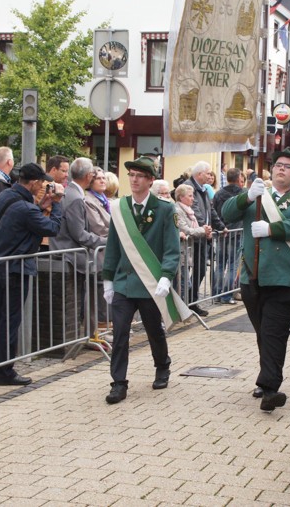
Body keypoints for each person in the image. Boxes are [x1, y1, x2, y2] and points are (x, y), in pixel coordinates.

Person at [221, 148, 290, 412]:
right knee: (264, 332)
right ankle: (267, 379)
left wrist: (272, 229)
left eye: (288, 166)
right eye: (278, 165)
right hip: (253, 277)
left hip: (287, 279)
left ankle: (270, 388)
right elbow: (226, 213)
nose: (281, 169)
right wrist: (246, 197)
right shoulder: (257, 196)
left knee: (273, 331)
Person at [102, 157, 187, 405]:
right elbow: (113, 245)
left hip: (150, 282)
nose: (134, 180)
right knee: (120, 333)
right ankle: (118, 383)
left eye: (140, 176)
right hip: (124, 282)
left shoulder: (165, 209)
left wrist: (166, 276)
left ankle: (162, 366)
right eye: (131, 175)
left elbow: (171, 248)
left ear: (150, 180)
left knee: (153, 329)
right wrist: (108, 279)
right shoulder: (120, 207)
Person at [0, 163, 64, 386]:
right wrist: (56, 204)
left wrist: (41, 205)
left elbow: (22, 218)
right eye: (42, 182)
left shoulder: (7, 195)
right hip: (15, 269)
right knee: (10, 321)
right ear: (34, 182)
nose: (43, 186)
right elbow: (52, 228)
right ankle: (5, 372)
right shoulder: (26, 208)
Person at [49, 158, 107, 326]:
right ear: (88, 176)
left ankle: (91, 331)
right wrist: (106, 242)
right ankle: (89, 331)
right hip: (72, 257)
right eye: (94, 174)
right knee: (86, 298)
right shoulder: (75, 198)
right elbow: (80, 234)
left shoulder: (71, 193)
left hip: (68, 253)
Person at [185, 161, 227, 316]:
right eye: (208, 173)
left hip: (202, 236)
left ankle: (191, 300)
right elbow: (194, 211)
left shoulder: (203, 189)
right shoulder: (189, 187)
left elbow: (211, 210)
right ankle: (187, 301)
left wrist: (221, 226)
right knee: (189, 272)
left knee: (201, 270)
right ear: (199, 174)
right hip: (193, 237)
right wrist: (205, 229)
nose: (210, 176)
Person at [212, 167, 245, 305]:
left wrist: (219, 226)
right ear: (238, 179)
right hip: (236, 233)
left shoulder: (218, 193)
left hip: (221, 232)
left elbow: (213, 211)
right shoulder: (243, 194)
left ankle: (217, 294)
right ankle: (226, 296)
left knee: (220, 265)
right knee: (232, 265)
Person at [84, 167, 112, 330]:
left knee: (105, 291)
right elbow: (99, 227)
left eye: (104, 178)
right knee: (97, 292)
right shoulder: (89, 200)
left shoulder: (104, 200)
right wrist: (119, 232)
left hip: (107, 252)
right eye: (98, 178)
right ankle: (98, 328)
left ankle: (105, 326)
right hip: (98, 251)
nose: (102, 180)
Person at [174, 184, 212, 298]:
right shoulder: (178, 210)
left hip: (187, 252)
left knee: (185, 284)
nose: (193, 198)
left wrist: (204, 229)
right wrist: (203, 230)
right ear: (181, 197)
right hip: (180, 252)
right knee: (183, 285)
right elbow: (186, 230)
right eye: (190, 196)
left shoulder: (189, 210)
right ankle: (180, 307)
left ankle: (184, 305)